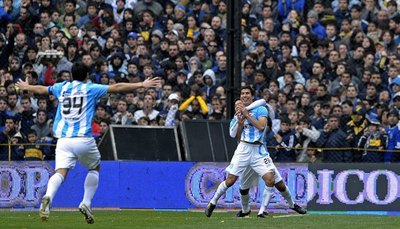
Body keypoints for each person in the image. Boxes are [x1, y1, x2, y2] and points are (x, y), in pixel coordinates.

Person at [16, 62, 161, 224]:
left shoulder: (61, 87)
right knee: (94, 168)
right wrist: (142, 84)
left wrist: (26, 86)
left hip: (63, 140)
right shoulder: (90, 88)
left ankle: (48, 196)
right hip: (83, 138)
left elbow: (42, 89)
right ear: (86, 76)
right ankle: (86, 202)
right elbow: (117, 87)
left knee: (60, 172)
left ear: (71, 75)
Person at [205, 86, 276, 217]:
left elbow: (261, 126)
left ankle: (262, 211)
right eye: (242, 93)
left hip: (258, 150)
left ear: (252, 96)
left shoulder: (260, 109)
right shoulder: (237, 116)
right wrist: (240, 123)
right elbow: (235, 136)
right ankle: (212, 203)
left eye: (247, 93)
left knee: (270, 179)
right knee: (231, 180)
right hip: (243, 149)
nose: (244, 95)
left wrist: (247, 114)